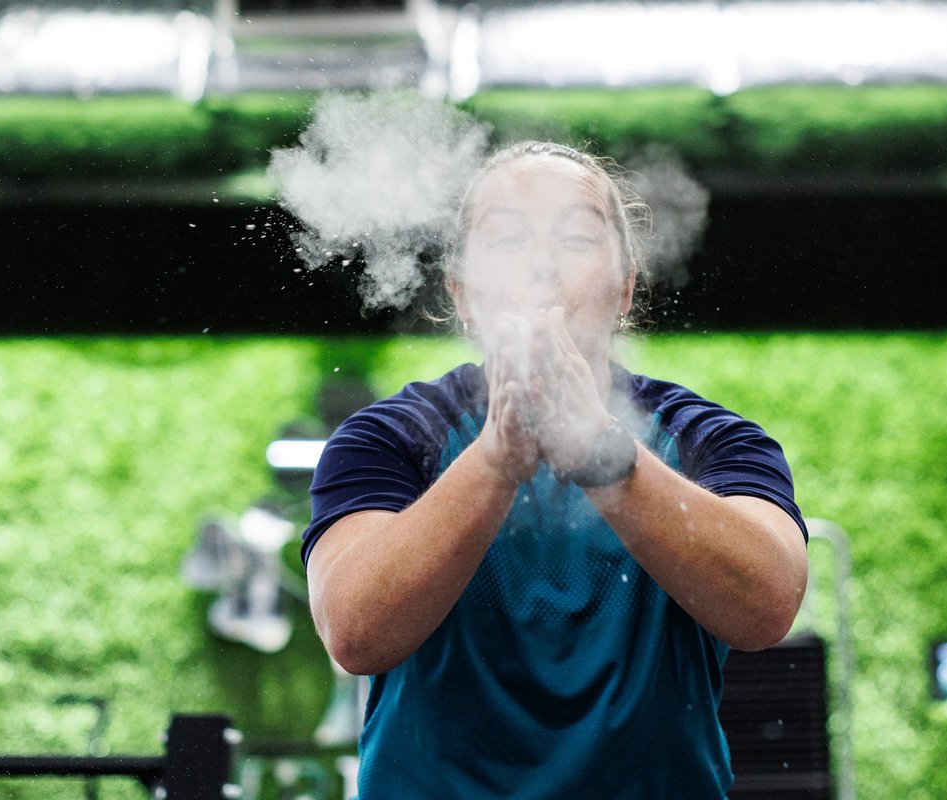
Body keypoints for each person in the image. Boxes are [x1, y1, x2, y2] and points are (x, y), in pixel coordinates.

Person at [301, 141, 808, 799]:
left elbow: (768, 605)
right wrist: (493, 462)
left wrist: (607, 458)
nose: (542, 265)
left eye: (574, 238)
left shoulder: (709, 440)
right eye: (508, 239)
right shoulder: (391, 438)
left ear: (624, 290)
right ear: (462, 295)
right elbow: (354, 632)